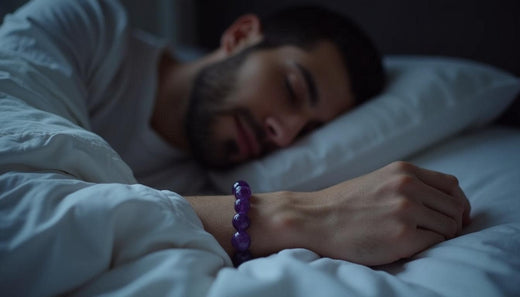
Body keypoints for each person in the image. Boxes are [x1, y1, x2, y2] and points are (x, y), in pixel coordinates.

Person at [0, 0, 470, 293]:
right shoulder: (87, 30)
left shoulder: (211, 186)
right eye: (291, 89)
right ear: (241, 35)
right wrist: (295, 215)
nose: (283, 135)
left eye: (307, 131)